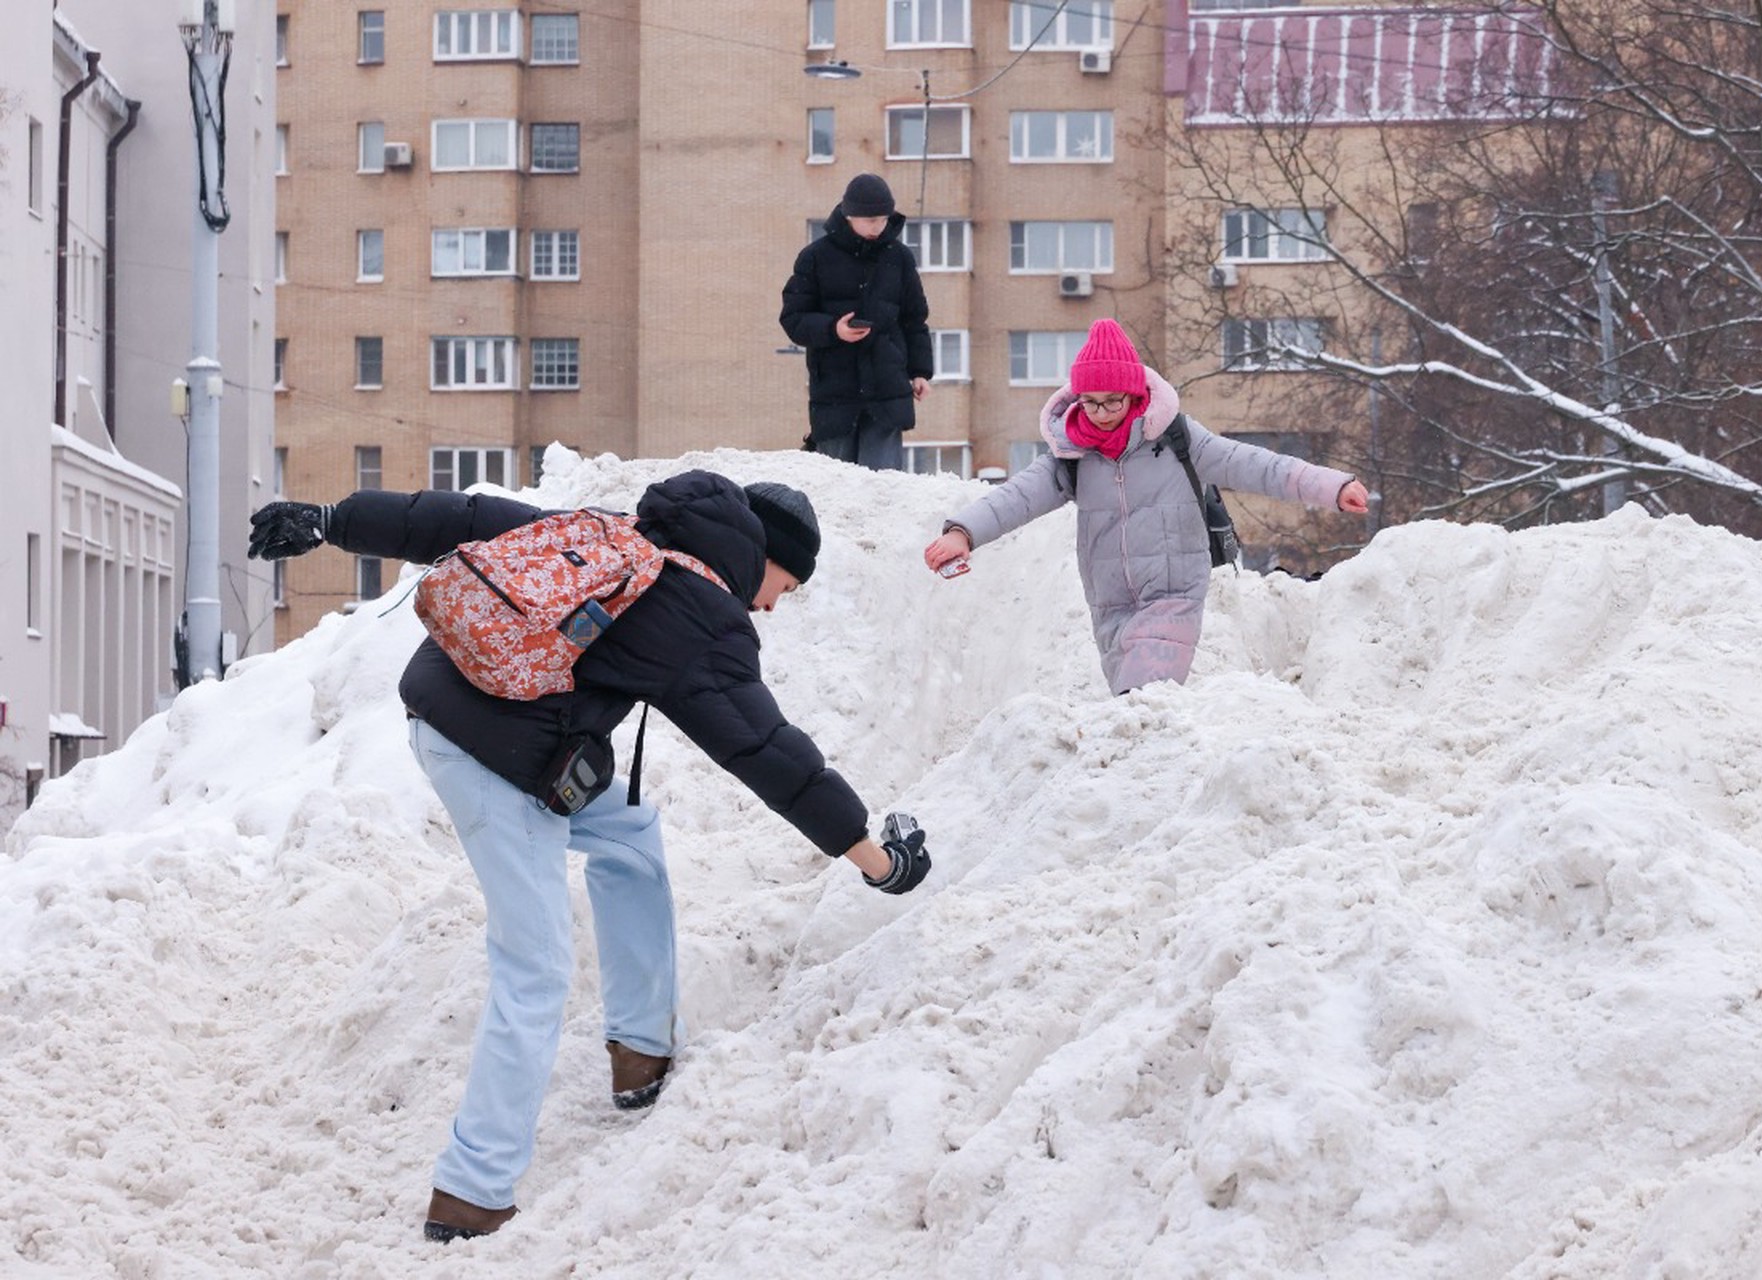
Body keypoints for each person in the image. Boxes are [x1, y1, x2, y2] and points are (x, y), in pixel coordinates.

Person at [246, 470, 932, 1242]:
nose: (775, 603)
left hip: (460, 706)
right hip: (496, 759)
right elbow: (766, 751)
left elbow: (462, 517)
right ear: (761, 555)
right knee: (534, 967)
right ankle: (472, 1192)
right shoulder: (704, 615)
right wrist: (876, 859)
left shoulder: (619, 532)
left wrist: (331, 515)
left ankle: (640, 1046)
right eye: (786, 584)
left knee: (627, 833)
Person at [923, 318, 1371, 695]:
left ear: (1134, 395)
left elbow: (1255, 465)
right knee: (1133, 715)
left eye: (1112, 401)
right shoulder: (1072, 456)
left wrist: (1332, 486)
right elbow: (1016, 497)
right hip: (1110, 603)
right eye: (1091, 402)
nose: (1100, 413)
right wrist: (962, 533)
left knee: (1145, 696)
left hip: (1173, 595)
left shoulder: (1177, 440)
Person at [780, 172, 934, 470]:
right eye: (870, 220)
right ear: (849, 216)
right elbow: (793, 318)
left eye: (883, 219)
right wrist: (833, 329)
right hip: (835, 395)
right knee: (836, 487)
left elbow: (915, 320)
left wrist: (920, 372)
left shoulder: (899, 258)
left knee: (884, 488)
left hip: (887, 390)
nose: (878, 227)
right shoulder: (815, 257)